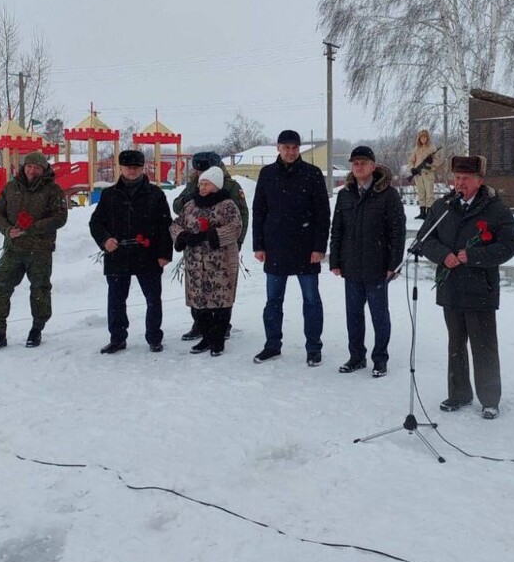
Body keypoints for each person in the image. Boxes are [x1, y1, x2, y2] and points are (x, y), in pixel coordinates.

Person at [417, 155, 514, 419]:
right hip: (450, 287)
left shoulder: (496, 209)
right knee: (455, 344)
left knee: (484, 345)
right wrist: (443, 255)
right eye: (457, 178)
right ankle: (459, 393)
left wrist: (474, 256)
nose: (460, 183)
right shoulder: (443, 206)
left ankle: (489, 399)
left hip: (480, 289)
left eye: (466, 178)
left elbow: (509, 245)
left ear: (479, 180)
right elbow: (424, 239)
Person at [251, 129, 330, 366]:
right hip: (275, 248)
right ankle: (272, 345)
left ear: (299, 149)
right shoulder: (267, 174)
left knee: (311, 301)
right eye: (286, 147)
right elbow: (258, 211)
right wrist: (259, 245)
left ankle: (313, 348)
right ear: (278, 148)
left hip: (307, 249)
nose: (290, 152)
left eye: (295, 148)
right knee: (273, 301)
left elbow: (323, 214)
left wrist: (319, 247)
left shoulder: (312, 174)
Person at [328, 145, 406, 377]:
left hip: (377, 266)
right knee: (353, 314)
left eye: (363, 162)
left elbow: (397, 231)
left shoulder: (388, 194)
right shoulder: (345, 194)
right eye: (355, 163)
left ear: (373, 166)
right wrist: (335, 259)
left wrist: (394, 264)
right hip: (351, 267)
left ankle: (380, 359)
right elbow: (337, 230)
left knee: (379, 315)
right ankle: (356, 356)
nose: (358, 166)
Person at [88, 149, 173, 354]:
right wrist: (105, 240)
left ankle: (154, 337)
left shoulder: (155, 194)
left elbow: (165, 226)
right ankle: (117, 338)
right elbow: (96, 222)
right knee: (116, 300)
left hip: (149, 254)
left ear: (142, 169)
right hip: (118, 255)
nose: (132, 171)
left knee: (153, 299)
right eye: (128, 167)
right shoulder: (109, 194)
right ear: (121, 168)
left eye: (136, 167)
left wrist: (164, 254)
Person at [0, 151, 68, 352]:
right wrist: (7, 230)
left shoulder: (53, 190)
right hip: (14, 249)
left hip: (40, 251)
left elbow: (60, 218)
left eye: (37, 167)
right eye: (29, 166)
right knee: (0, 288)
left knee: (40, 290)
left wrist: (32, 227)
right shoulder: (11, 187)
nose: (32, 170)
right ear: (23, 167)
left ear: (43, 169)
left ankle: (36, 329)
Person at [173, 151, 249, 341]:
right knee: (197, 286)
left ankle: (223, 326)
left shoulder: (230, 186)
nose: (199, 175)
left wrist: (236, 242)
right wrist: (192, 195)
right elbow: (178, 208)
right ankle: (200, 325)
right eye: (197, 171)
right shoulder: (195, 184)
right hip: (196, 251)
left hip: (222, 248)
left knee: (222, 287)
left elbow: (241, 216)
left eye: (202, 171)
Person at [406, 128, 442, 219]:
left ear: (427, 138)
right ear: (419, 138)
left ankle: (429, 214)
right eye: (421, 137)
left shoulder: (432, 148)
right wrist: (412, 169)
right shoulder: (416, 149)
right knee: (421, 193)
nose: (423, 139)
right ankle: (422, 213)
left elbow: (438, 161)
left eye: (425, 137)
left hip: (428, 174)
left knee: (429, 194)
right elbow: (411, 161)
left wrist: (431, 164)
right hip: (418, 175)